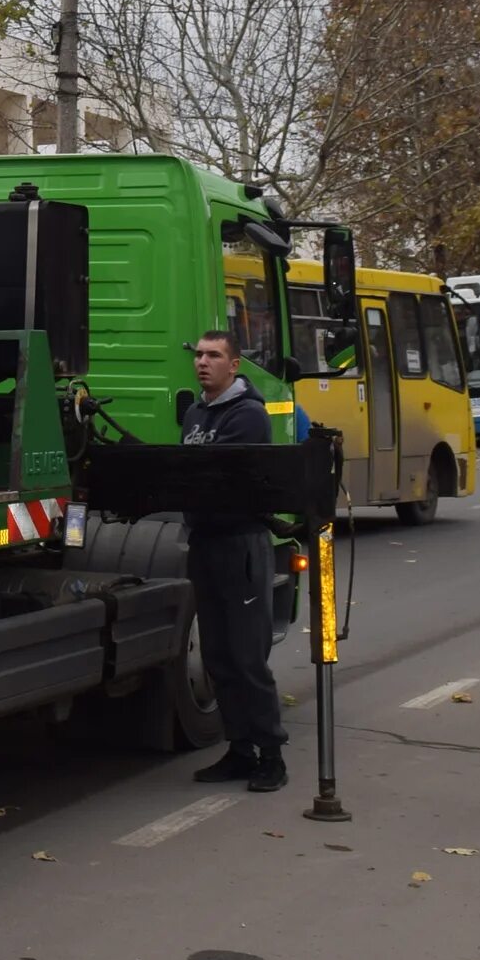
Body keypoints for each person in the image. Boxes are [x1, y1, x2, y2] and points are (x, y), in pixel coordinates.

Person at [180, 329, 287, 793]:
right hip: (205, 542)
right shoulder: (195, 413)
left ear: (234, 364)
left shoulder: (248, 416)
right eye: (200, 355)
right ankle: (240, 750)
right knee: (218, 657)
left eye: (214, 355)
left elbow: (216, 477)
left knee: (246, 658)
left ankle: (271, 756)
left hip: (240, 545)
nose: (203, 362)